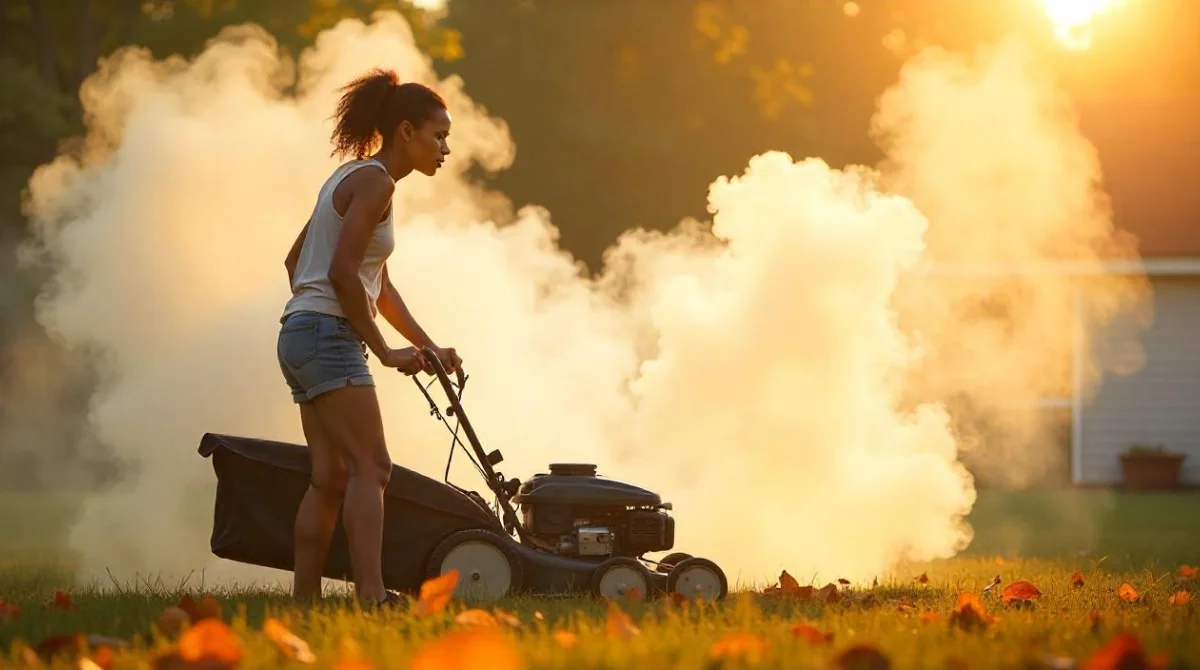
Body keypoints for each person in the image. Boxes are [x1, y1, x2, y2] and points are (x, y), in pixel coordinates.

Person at [277, 68, 462, 607]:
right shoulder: (377, 183)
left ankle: (305, 601)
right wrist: (382, 350)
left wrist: (424, 347)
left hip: (299, 332)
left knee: (330, 476)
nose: (445, 149)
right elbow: (341, 274)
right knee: (371, 468)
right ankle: (373, 598)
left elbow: (337, 274)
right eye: (440, 135)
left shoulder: (349, 177)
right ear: (406, 131)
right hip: (328, 335)